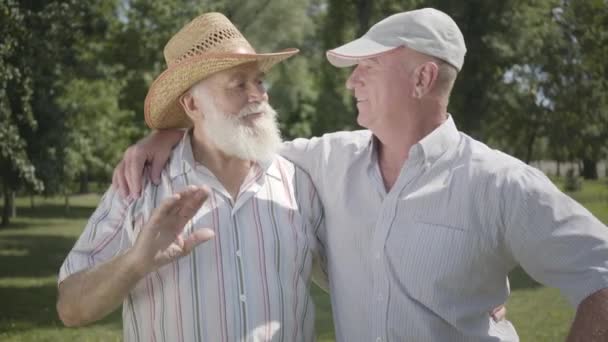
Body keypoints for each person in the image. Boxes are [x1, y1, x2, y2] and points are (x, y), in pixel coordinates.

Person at [114, 8, 608, 342]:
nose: (352, 80)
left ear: (422, 78)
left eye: (368, 66)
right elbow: (230, 134)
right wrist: (168, 133)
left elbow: (602, 278)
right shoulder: (324, 160)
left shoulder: (500, 184)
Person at [57, 12, 326, 342]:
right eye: (238, 84)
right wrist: (135, 263)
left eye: (259, 81)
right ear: (191, 104)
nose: (257, 95)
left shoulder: (299, 182)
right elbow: (70, 308)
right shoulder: (140, 186)